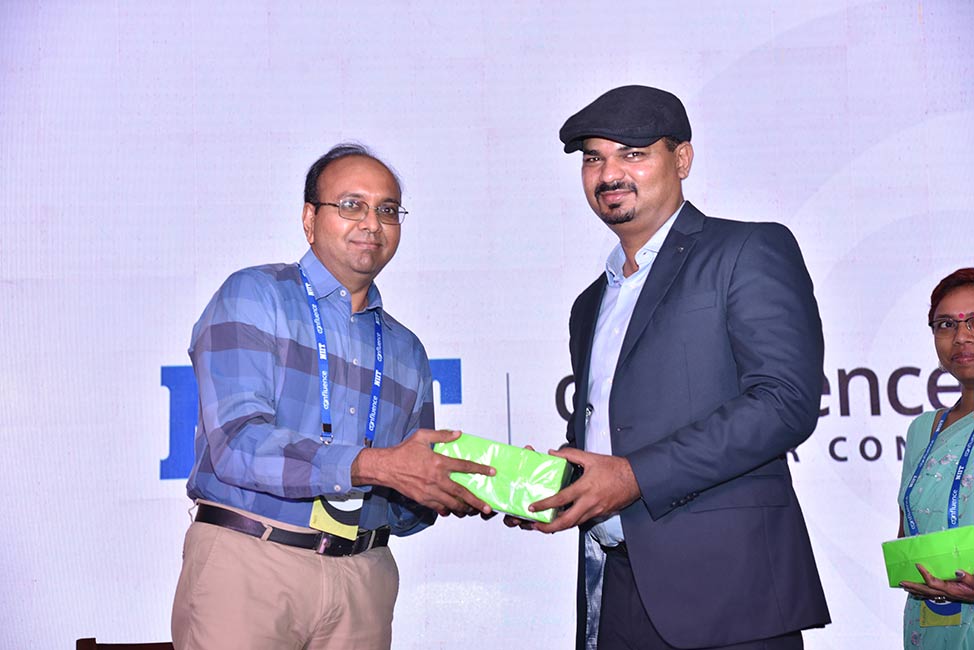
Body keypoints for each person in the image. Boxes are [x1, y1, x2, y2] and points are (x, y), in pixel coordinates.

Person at [510, 86, 831, 649]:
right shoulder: (590, 303)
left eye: (632, 153)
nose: (609, 174)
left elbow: (784, 402)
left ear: (681, 159)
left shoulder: (747, 250)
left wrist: (633, 476)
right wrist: (555, 484)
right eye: (593, 158)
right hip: (613, 589)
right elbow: (611, 437)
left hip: (731, 594)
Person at [171, 143, 494, 650]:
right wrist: (375, 466)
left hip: (364, 576)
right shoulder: (255, 295)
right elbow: (236, 444)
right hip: (252, 559)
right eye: (351, 205)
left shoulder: (406, 349)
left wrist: (446, 488)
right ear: (309, 219)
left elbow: (401, 505)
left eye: (388, 210)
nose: (372, 223)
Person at [897, 268, 974, 648]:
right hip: (930, 621)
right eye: (946, 325)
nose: (961, 336)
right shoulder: (923, 430)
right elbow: (908, 533)